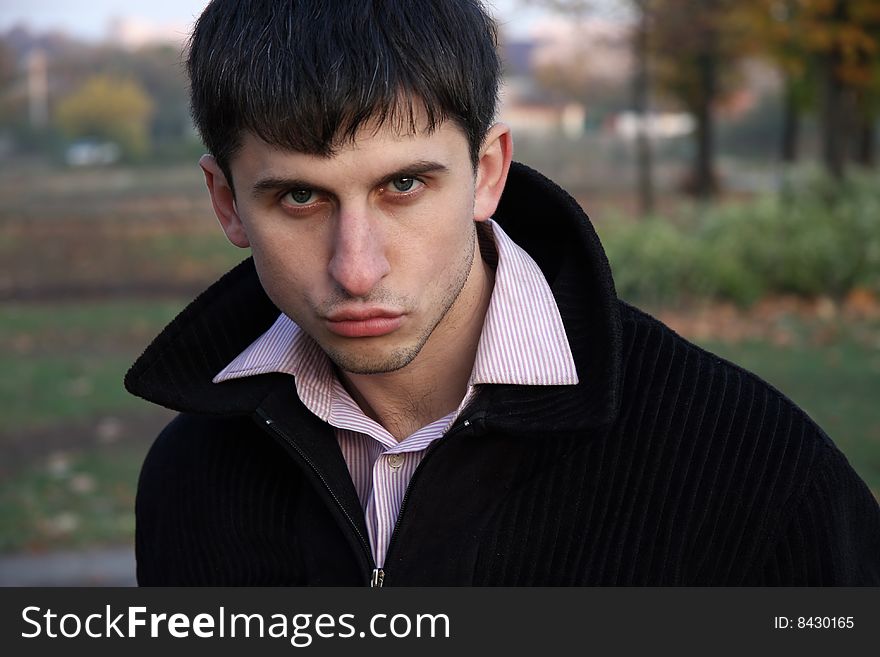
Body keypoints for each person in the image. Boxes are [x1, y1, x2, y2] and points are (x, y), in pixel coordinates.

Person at [126, 0, 880, 586]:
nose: (357, 269)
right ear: (226, 202)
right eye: (300, 198)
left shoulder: (750, 464)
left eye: (404, 185)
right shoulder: (190, 481)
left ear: (488, 172)